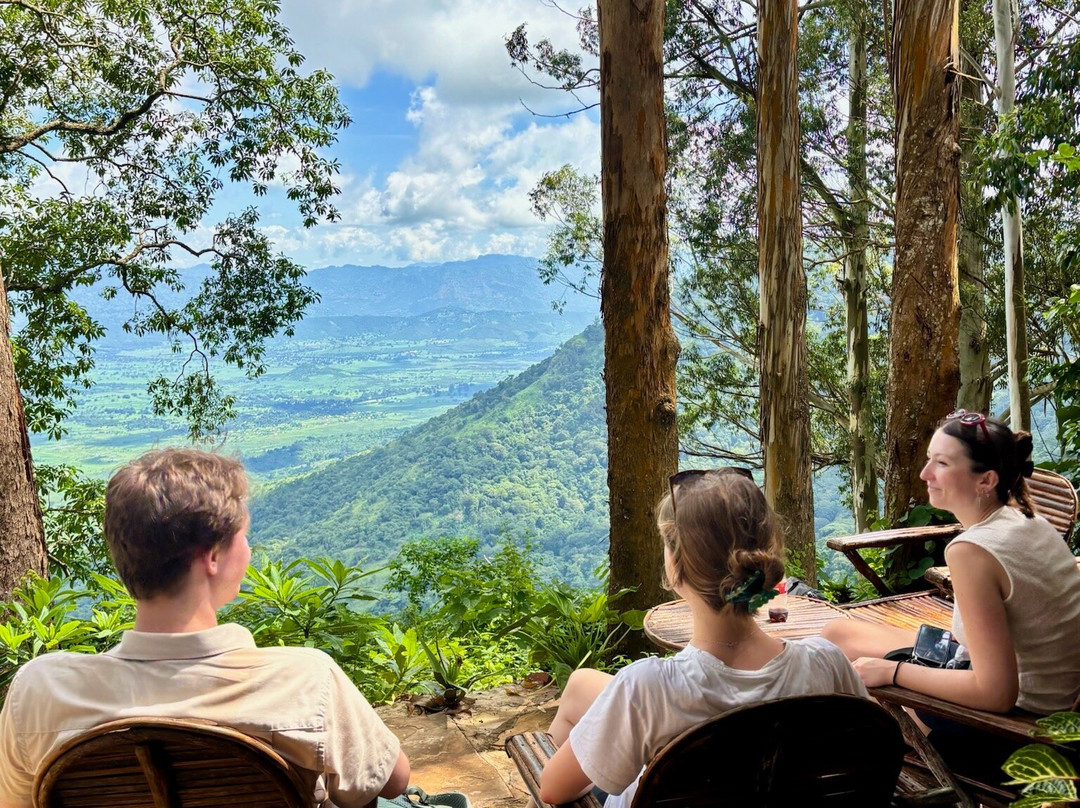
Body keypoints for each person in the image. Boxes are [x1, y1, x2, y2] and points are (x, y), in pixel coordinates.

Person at [0, 448, 410, 808]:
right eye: (243, 537)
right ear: (212, 556)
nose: (247, 549)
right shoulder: (304, 681)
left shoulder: (39, 691)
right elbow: (392, 782)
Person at [538, 468, 868, 808]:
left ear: (676, 565)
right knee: (581, 684)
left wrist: (606, 768)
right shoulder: (826, 665)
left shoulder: (647, 690)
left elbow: (553, 789)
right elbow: (868, 754)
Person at [822, 410, 1080, 779]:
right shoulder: (1028, 520)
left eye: (941, 463)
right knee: (837, 634)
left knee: (855, 699)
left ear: (986, 480)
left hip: (1012, 731)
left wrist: (893, 672)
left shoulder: (972, 551)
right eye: (929, 459)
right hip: (1022, 685)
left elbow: (996, 695)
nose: (925, 474)